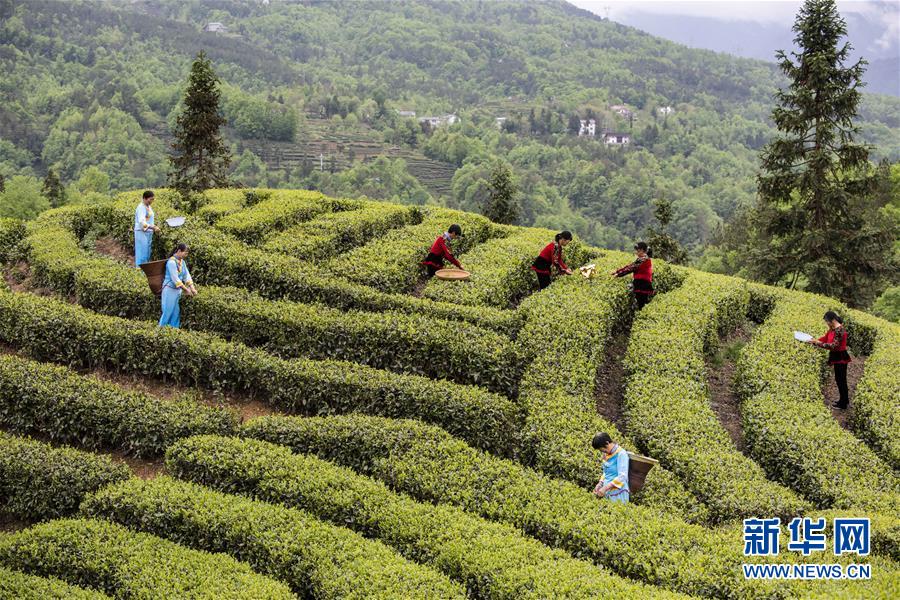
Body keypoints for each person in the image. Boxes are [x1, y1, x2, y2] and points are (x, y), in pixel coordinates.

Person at [807, 311, 852, 409]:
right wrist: (814, 341)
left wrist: (817, 343)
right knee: (839, 379)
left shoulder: (840, 330)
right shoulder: (832, 329)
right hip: (836, 356)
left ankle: (844, 403)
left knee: (841, 380)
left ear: (832, 320)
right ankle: (843, 400)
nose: (826, 323)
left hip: (840, 357)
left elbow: (833, 346)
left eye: (827, 321)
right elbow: (825, 338)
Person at [158, 243, 197, 329]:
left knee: (176, 313)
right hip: (169, 290)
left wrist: (192, 288)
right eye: (185, 253)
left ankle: (174, 331)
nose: (186, 255)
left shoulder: (182, 262)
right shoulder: (171, 262)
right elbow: (175, 279)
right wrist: (186, 290)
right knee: (167, 312)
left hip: (177, 291)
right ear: (179, 251)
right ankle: (160, 331)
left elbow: (187, 275)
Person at [610, 242, 654, 309]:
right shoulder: (642, 259)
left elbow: (631, 268)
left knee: (641, 304)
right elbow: (630, 266)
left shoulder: (644, 260)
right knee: (640, 303)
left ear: (642, 250)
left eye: (637, 250)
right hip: (640, 283)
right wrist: (617, 271)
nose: (636, 252)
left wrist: (618, 274)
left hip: (642, 285)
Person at [591, 432, 630, 503]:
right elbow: (606, 471)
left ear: (607, 443)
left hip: (618, 493)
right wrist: (600, 483)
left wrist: (605, 488)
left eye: (603, 449)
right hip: (607, 492)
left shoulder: (621, 454)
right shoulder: (606, 454)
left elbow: (622, 476)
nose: (603, 452)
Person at [134, 190, 160, 267]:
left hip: (148, 232)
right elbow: (141, 222)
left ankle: (145, 271)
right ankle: (139, 270)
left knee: (147, 253)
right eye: (150, 199)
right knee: (142, 253)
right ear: (145, 198)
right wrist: (153, 227)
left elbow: (149, 219)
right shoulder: (141, 207)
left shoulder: (148, 206)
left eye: (153, 199)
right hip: (141, 232)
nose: (151, 201)